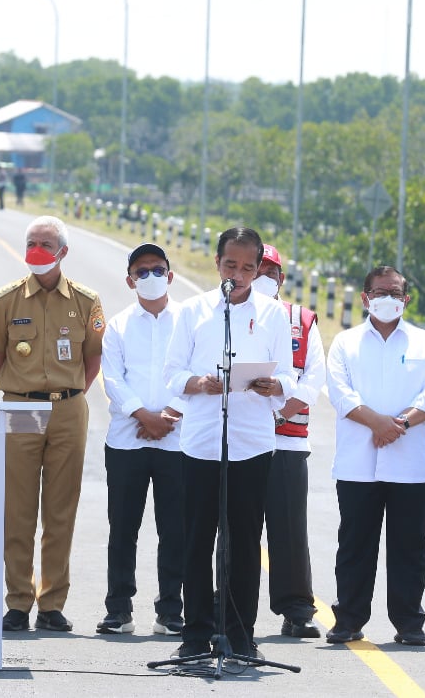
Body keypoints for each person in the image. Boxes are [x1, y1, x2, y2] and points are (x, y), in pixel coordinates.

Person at [163, 226, 297, 660]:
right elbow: (171, 373)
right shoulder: (193, 311)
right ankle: (196, 635)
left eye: (247, 267)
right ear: (216, 264)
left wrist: (274, 384)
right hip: (202, 441)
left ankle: (240, 635)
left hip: (252, 443)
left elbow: (289, 378)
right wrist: (198, 383)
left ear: (259, 270)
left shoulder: (273, 314)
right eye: (230, 265)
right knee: (198, 540)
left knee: (243, 542)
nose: (238, 274)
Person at [0, 215, 105, 633]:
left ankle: (51, 603)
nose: (37, 249)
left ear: (63, 253)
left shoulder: (86, 301)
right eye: (31, 241)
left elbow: (93, 357)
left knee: (60, 511)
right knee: (17, 509)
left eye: (45, 243)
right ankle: (18, 601)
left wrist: (69, 395)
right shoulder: (6, 299)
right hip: (19, 409)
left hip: (69, 410)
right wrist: (22, 390)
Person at [324, 265, 425, 647]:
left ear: (406, 299)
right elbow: (340, 394)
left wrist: (400, 425)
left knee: (409, 547)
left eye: (395, 293)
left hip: (411, 465)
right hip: (358, 464)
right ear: (364, 298)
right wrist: (378, 423)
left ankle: (409, 622)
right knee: (355, 544)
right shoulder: (345, 343)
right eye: (379, 293)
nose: (387, 299)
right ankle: (348, 619)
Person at [97, 243, 186, 637]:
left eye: (157, 269)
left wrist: (169, 414)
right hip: (127, 439)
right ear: (130, 279)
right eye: (142, 271)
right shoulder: (117, 325)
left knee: (176, 530)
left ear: (170, 275)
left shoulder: (189, 321)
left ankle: (170, 611)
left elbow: (198, 371)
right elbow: (111, 378)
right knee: (123, 529)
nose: (150, 276)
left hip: (178, 439)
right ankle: (118, 610)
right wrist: (142, 414)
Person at [252, 243, 327, 640]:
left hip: (287, 443)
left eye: (270, 269)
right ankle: (223, 605)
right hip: (242, 442)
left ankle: (297, 609)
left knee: (289, 530)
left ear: (281, 278)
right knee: (234, 529)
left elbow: (314, 378)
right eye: (256, 267)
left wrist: (279, 412)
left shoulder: (301, 320)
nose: (263, 275)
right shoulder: (230, 316)